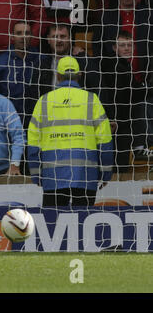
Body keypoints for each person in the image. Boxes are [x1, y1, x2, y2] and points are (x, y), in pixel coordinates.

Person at [27, 56, 113, 207]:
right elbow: (105, 141)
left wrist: (36, 174)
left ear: (58, 76)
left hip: (52, 177)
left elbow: (33, 143)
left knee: (53, 224)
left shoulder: (44, 101)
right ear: (80, 75)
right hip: (86, 175)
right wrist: (105, 172)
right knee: (83, 225)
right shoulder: (92, 100)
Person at [101, 30, 152, 170]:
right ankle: (139, 146)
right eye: (122, 45)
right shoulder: (113, 65)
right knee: (143, 105)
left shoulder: (123, 65)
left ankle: (141, 145)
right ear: (114, 48)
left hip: (122, 118)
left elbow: (134, 91)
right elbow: (129, 94)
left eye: (129, 45)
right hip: (116, 120)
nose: (126, 48)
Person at [0, 21, 42, 130]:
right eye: (19, 33)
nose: (23, 37)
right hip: (7, 121)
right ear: (12, 37)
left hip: (37, 121)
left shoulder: (41, 60)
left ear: (31, 36)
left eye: (27, 33)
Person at [38, 23, 103, 100]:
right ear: (48, 39)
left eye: (63, 36)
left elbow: (97, 89)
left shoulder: (83, 61)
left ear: (70, 38)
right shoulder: (42, 64)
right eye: (54, 37)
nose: (59, 40)